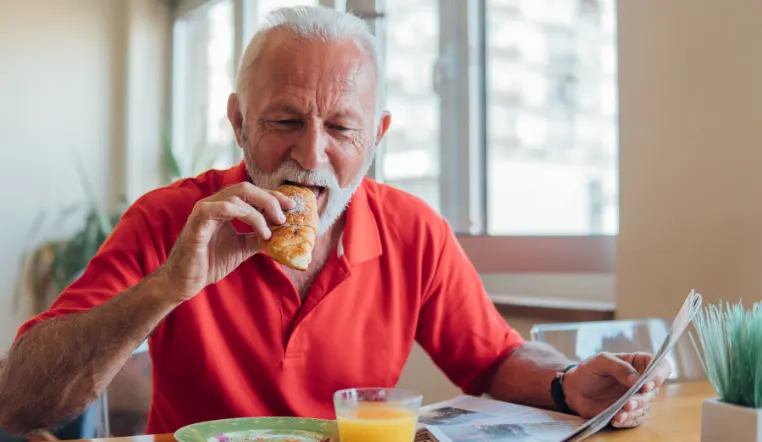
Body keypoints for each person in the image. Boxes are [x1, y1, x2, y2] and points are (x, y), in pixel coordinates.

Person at [0, 5, 670, 435]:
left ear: (375, 136)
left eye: (341, 128)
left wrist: (564, 383)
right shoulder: (170, 218)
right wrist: (166, 288)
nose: (310, 155)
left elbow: (493, 358)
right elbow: (21, 404)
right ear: (238, 123)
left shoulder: (413, 230)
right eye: (285, 121)